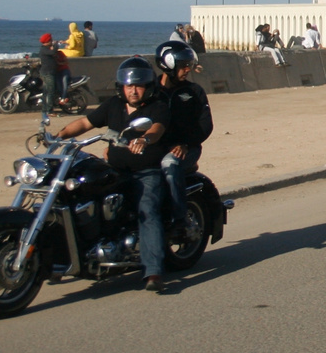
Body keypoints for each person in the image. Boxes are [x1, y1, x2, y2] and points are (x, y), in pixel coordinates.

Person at [55, 58, 171, 290]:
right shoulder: (113, 106)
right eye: (129, 86)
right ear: (121, 87)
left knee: (147, 211)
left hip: (145, 172)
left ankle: (153, 271)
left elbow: (157, 128)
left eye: (138, 86)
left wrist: (145, 139)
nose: (133, 90)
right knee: (75, 193)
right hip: (115, 170)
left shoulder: (157, 106)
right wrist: (59, 136)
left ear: (148, 87)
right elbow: (86, 123)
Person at [155, 42, 214, 226]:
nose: (187, 69)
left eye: (189, 65)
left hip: (187, 149)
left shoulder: (194, 92)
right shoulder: (150, 92)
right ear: (168, 64)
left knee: (169, 165)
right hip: (155, 147)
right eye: (183, 66)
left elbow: (205, 125)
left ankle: (178, 219)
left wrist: (186, 144)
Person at [36, 32, 70, 111]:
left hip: (52, 72)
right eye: (50, 40)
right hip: (47, 73)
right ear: (47, 41)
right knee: (50, 91)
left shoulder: (46, 49)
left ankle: (47, 108)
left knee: (49, 91)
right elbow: (53, 52)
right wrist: (56, 45)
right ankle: (49, 110)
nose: (52, 41)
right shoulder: (44, 49)